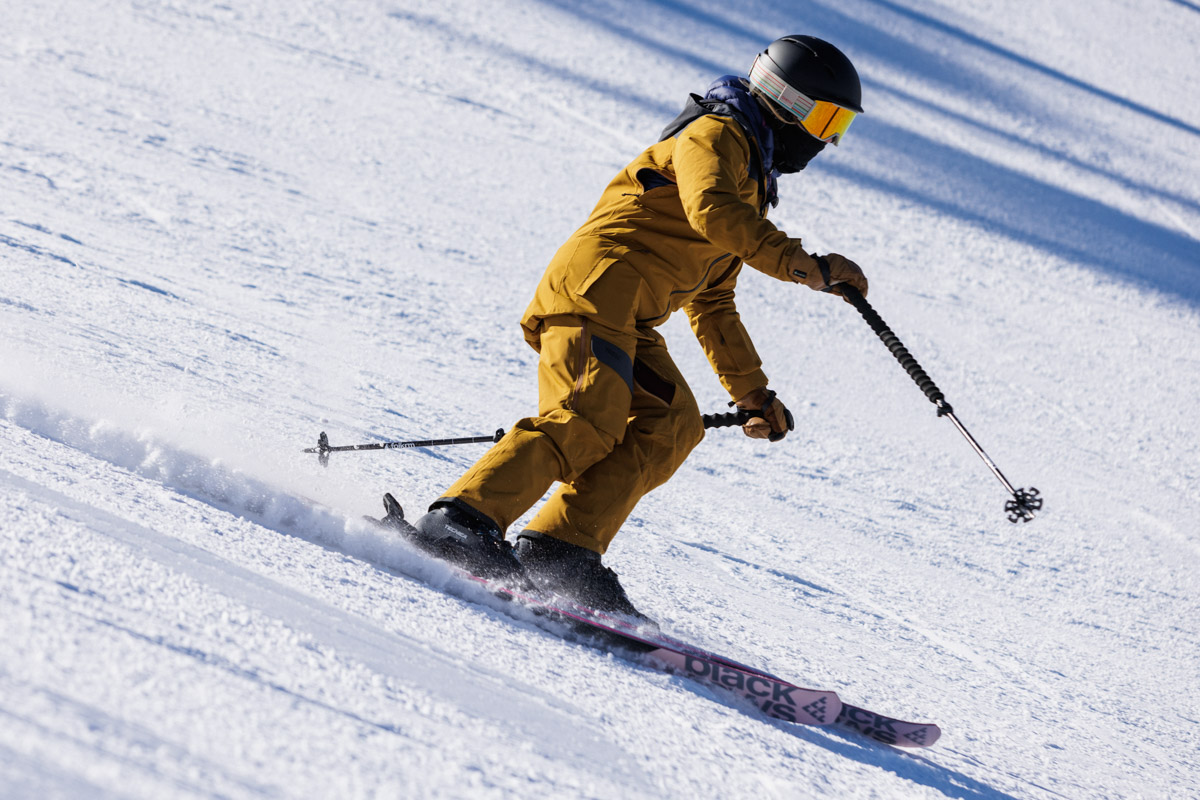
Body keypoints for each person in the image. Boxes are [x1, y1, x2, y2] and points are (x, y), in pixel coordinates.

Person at [395, 35, 870, 619]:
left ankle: (560, 551)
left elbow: (714, 301)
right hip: (595, 288)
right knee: (588, 415)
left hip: (627, 317)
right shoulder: (714, 136)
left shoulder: (750, 179)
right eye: (824, 118)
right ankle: (461, 522)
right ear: (784, 100)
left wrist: (750, 393)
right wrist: (810, 267)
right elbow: (713, 214)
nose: (827, 138)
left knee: (671, 424)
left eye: (838, 124)